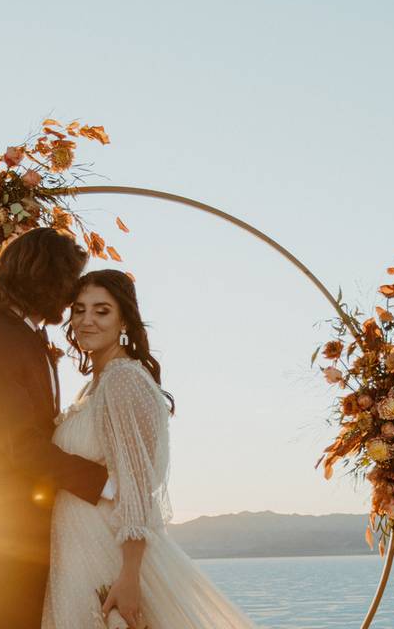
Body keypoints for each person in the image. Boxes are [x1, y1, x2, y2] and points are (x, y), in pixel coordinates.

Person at [42, 269, 256, 629]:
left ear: (124, 317)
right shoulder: (94, 387)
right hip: (79, 553)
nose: (86, 320)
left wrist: (129, 577)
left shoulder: (123, 380)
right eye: (79, 310)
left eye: (102, 310)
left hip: (111, 556)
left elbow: (136, 486)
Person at [0, 228, 116, 628]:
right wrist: (107, 484)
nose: (72, 292)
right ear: (44, 277)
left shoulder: (25, 336)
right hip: (1, 539)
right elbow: (21, 446)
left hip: (30, 535)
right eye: (68, 278)